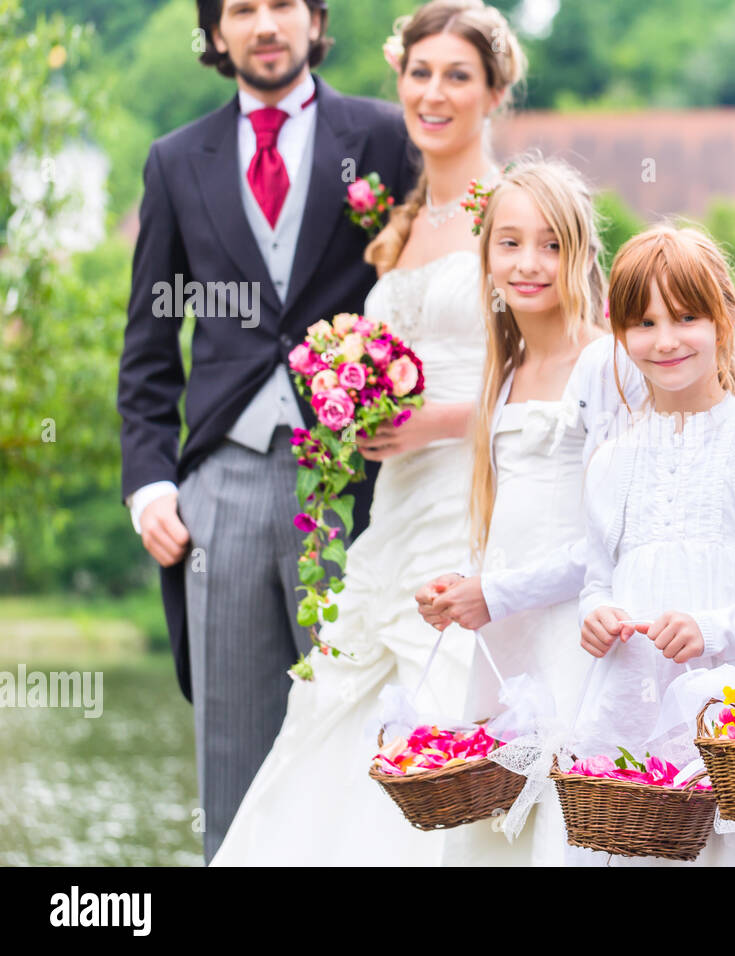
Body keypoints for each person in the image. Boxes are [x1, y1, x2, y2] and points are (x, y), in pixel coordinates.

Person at [210, 0, 527, 866]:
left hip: (479, 501)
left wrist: (443, 420)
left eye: (458, 75)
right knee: (343, 696)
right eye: (419, 73)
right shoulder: (399, 222)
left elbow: (569, 373)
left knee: (452, 701)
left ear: (495, 91)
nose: (434, 93)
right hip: (392, 507)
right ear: (398, 81)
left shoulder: (518, 212)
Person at [117, 0, 415, 861]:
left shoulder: (388, 137)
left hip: (356, 486)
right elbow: (147, 349)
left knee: (365, 742)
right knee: (234, 768)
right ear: (216, 35)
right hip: (223, 486)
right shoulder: (175, 162)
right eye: (242, 8)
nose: (265, 23)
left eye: (283, 3)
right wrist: (150, 484)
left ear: (316, 22)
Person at [414, 157, 646, 866]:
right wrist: (463, 584)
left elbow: (617, 541)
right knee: (495, 822)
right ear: (484, 254)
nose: (529, 262)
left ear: (581, 254)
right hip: (506, 634)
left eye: (551, 243)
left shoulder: (608, 365)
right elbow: (510, 519)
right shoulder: (505, 373)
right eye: (509, 242)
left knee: (565, 816)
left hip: (574, 634)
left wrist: (498, 591)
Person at [574, 224, 735, 866]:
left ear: (725, 317)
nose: (665, 340)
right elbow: (598, 579)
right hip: (634, 723)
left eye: (686, 317)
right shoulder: (609, 460)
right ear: (619, 333)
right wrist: (592, 616)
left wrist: (710, 631)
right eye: (643, 322)